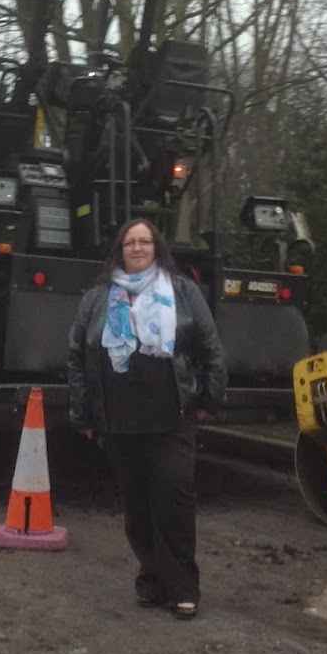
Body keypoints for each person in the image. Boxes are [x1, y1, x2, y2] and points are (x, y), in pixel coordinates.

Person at [67, 217, 227, 620]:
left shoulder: (183, 292)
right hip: (119, 421)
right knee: (136, 509)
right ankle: (152, 579)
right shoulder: (97, 298)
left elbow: (211, 348)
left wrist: (209, 397)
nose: (137, 248)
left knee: (173, 498)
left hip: (172, 418)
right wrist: (83, 412)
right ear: (120, 251)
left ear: (156, 248)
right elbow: (76, 356)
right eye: (129, 243)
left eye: (145, 242)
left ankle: (183, 588)